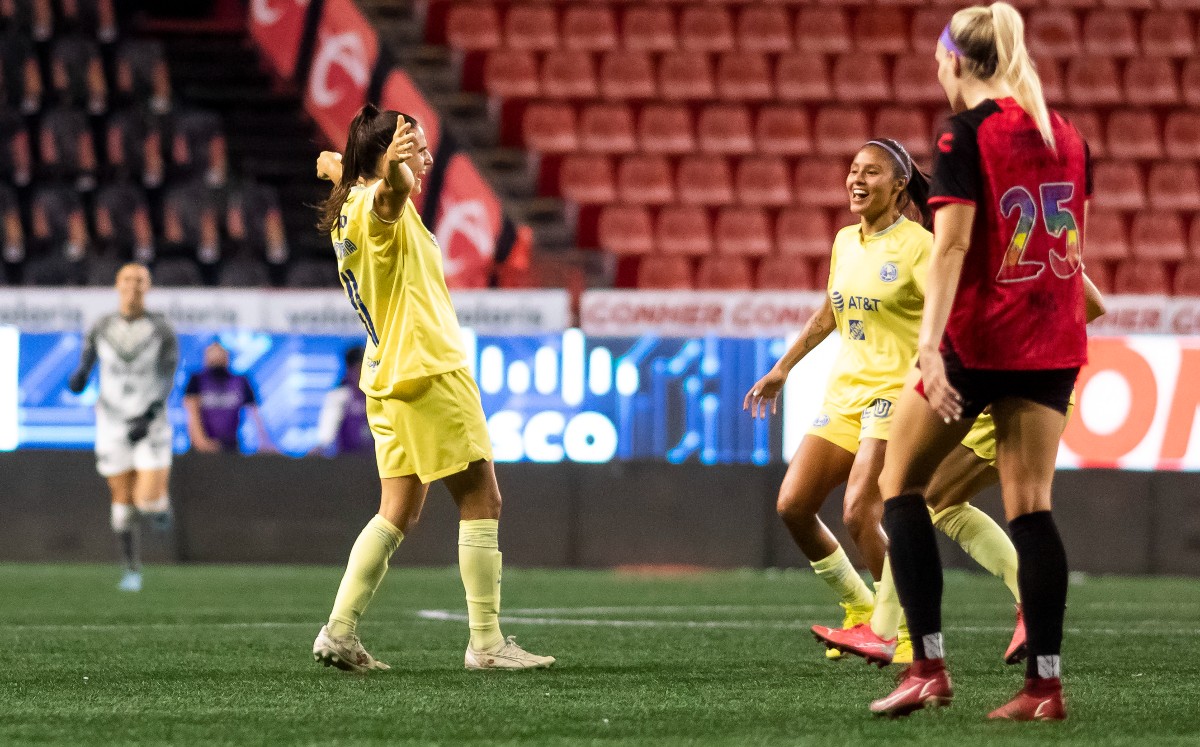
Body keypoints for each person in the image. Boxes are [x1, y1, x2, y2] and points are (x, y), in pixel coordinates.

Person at [863, 2, 1092, 721]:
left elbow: (955, 247)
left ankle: (927, 665)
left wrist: (930, 346)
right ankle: (1044, 687)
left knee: (898, 488)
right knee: (1032, 508)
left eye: (938, 55)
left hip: (984, 338)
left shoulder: (963, 134)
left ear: (955, 60)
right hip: (1052, 341)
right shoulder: (1068, 134)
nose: (936, 66)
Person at [310, 104, 554, 672]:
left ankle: (339, 631)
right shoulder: (377, 206)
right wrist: (387, 171)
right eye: (413, 146)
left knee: (395, 511)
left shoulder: (348, 205)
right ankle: (487, 644)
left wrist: (339, 165)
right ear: (385, 159)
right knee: (481, 499)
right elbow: (388, 195)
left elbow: (338, 168)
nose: (424, 156)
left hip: (385, 375)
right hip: (428, 370)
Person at [813, 276, 1105, 667]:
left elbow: (1090, 302)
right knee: (936, 500)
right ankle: (1028, 616)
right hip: (1005, 384)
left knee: (911, 493)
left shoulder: (990, 230)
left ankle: (885, 632)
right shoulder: (999, 230)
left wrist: (1014, 363)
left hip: (1012, 391)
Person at [746, 138, 934, 663]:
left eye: (871, 172)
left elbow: (943, 316)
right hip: (846, 390)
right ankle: (859, 605)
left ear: (898, 185)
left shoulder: (920, 246)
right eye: (853, 170)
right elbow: (831, 312)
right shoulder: (845, 241)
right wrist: (783, 368)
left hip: (896, 392)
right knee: (794, 505)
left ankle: (903, 631)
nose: (856, 180)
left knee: (858, 510)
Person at [67, 263, 178, 592]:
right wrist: (79, 378)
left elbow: (169, 374)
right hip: (112, 422)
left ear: (148, 286)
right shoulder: (102, 325)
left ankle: (160, 507)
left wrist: (152, 412)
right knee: (122, 501)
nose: (133, 286)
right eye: (127, 279)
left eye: (139, 280)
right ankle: (132, 568)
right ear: (118, 285)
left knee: (146, 500)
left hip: (150, 422)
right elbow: (87, 361)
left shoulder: (160, 328)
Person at [183, 340, 273, 454]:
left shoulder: (240, 381)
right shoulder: (196, 380)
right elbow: (192, 412)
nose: (217, 356)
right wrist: (201, 442)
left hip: (231, 447)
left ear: (227, 356)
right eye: (212, 353)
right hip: (201, 449)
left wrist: (265, 442)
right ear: (205, 357)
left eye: (220, 353)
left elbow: (254, 414)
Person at [311, 346, 374, 457]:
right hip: (348, 462)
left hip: (377, 461)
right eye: (359, 367)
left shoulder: (378, 395)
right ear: (350, 370)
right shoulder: (339, 396)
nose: (364, 372)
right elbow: (327, 435)